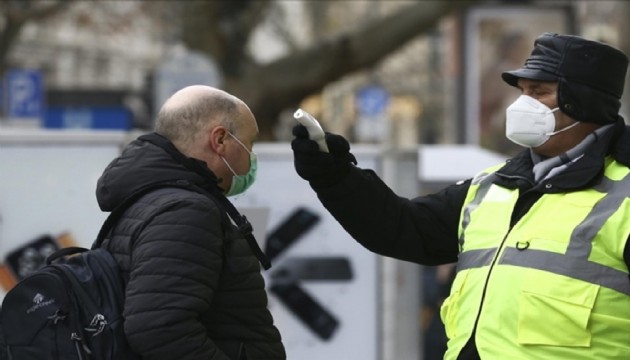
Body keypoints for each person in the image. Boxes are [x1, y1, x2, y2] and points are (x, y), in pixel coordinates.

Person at [291, 32, 630, 359]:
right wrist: (334, 176)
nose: (523, 104)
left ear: (584, 103)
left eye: (539, 93)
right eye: (522, 92)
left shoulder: (623, 196)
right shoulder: (492, 186)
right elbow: (403, 228)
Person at [96, 85, 285, 359]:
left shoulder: (150, 199)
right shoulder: (187, 211)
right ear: (219, 140)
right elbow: (158, 329)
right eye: (249, 144)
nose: (251, 159)